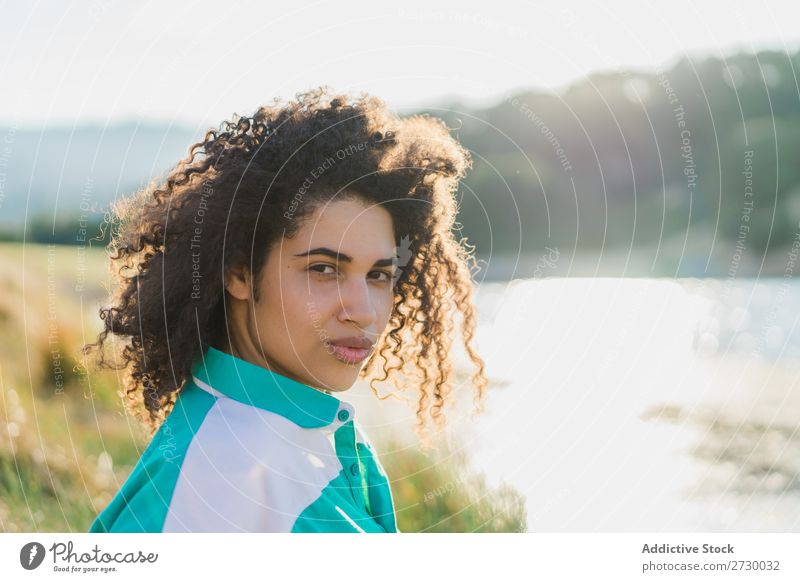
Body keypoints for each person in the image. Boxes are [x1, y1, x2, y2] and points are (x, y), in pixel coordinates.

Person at [84, 87, 488, 532]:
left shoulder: (269, 431)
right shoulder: (240, 476)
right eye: (323, 269)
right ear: (239, 271)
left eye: (378, 275)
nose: (364, 312)